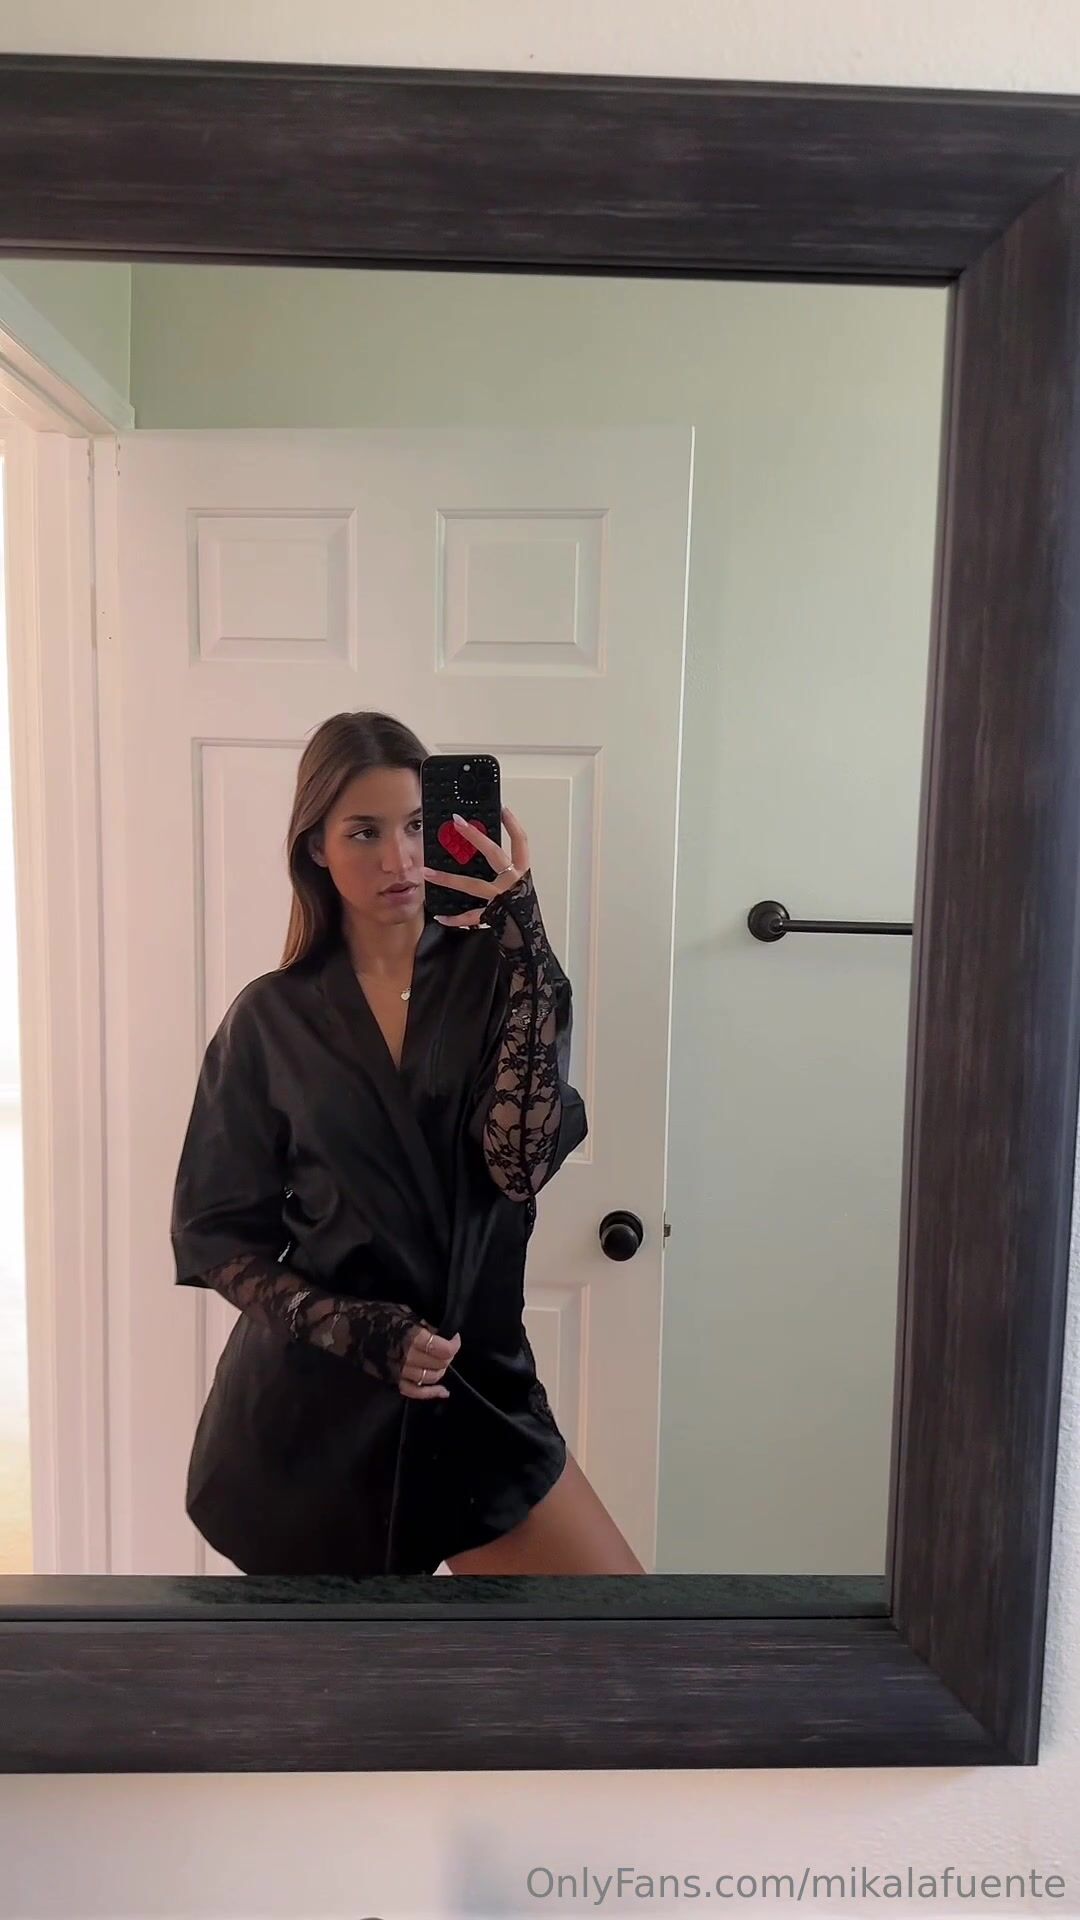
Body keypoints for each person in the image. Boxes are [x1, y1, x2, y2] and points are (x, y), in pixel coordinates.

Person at [170, 710, 643, 1576]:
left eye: (420, 825)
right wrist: (356, 1330)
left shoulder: (507, 981)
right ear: (316, 848)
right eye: (365, 832)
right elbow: (215, 1235)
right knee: (362, 1670)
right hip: (318, 1409)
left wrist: (524, 936)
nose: (400, 859)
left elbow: (519, 1163)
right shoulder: (269, 1019)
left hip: (477, 1392)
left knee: (614, 1638)